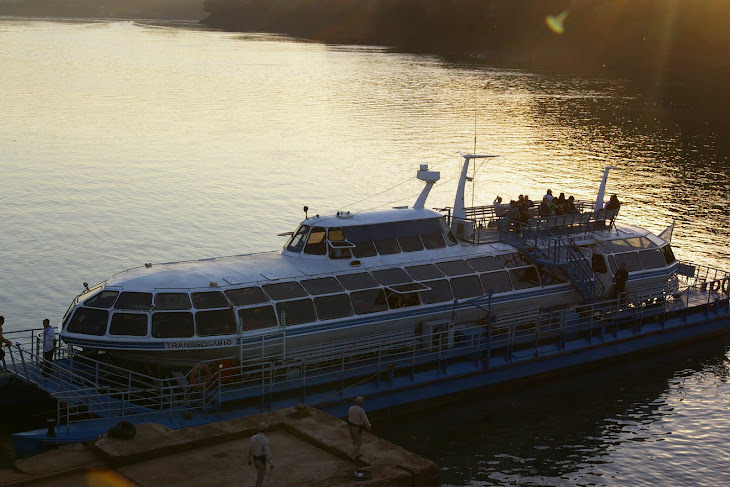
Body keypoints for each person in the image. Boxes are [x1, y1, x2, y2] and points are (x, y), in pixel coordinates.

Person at [247, 422, 274, 487]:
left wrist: (249, 459)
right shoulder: (265, 440)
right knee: (260, 477)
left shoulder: (253, 437)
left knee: (259, 474)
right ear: (265, 430)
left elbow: (249, 449)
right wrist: (271, 463)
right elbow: (267, 453)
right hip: (261, 461)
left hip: (254, 459)